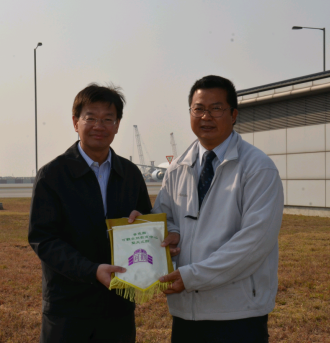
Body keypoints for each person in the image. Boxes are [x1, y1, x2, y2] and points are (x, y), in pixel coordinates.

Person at [153, 75, 284, 343]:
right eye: (198, 108)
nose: (206, 116)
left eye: (216, 108)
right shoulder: (177, 168)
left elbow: (254, 242)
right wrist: (171, 232)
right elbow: (165, 219)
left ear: (234, 114)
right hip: (186, 311)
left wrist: (192, 276)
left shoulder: (257, 168)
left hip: (237, 312)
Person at [28, 83, 151, 343]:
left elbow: (146, 221)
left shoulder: (130, 174)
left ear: (117, 125)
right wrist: (91, 270)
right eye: (91, 118)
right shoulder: (53, 175)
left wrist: (147, 229)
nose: (100, 126)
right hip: (68, 308)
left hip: (118, 306)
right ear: (75, 122)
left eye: (108, 119)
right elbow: (44, 239)